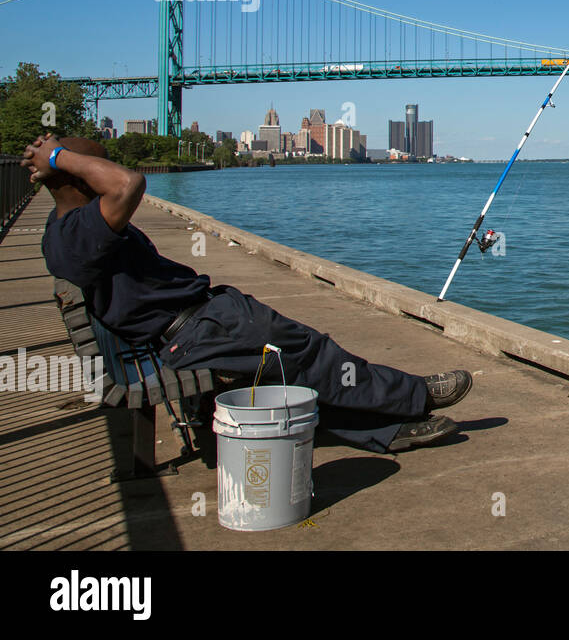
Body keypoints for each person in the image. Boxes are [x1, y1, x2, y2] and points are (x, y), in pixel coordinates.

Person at [22, 133, 471, 455]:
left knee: (292, 375)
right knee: (314, 354)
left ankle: (389, 430)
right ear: (81, 178)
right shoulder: (81, 233)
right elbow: (128, 184)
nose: (110, 170)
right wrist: (60, 155)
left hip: (194, 327)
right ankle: (415, 395)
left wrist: (61, 161)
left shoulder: (67, 230)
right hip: (201, 332)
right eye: (99, 165)